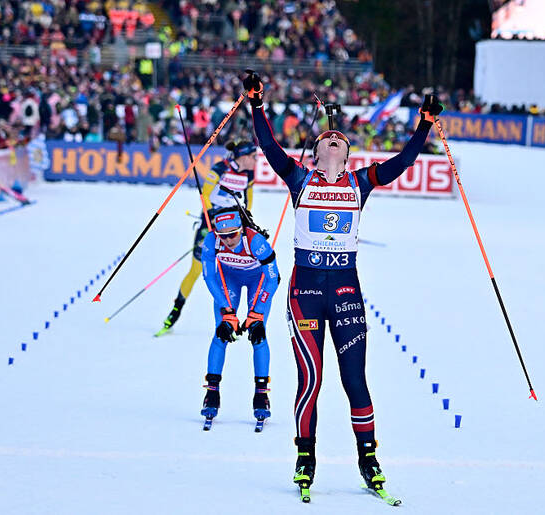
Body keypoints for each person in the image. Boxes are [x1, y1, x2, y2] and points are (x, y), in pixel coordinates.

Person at [243, 70, 443, 498]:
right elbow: (268, 145)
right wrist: (257, 104)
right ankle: (305, 458)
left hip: (346, 291)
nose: (334, 140)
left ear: (347, 156)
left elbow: (404, 162)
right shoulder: (299, 178)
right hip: (306, 292)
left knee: (356, 380)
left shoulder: (359, 182)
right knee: (310, 380)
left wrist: (424, 123)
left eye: (341, 141)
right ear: (315, 154)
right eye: (326, 140)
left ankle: (368, 459)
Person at [156, 141, 258, 336]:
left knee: (230, 270)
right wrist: (212, 217)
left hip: (233, 227)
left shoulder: (249, 174)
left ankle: (230, 318)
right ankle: (175, 311)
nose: (256, 161)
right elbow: (205, 195)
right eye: (253, 157)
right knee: (196, 270)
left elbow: (249, 200)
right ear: (243, 156)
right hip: (211, 222)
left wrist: (246, 217)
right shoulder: (221, 168)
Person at [199, 206, 279, 424]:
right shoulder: (211, 240)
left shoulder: (256, 241)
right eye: (222, 235)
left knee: (258, 335)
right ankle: (211, 393)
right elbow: (209, 277)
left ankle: (261, 395)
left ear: (241, 230)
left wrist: (257, 314)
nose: (228, 240)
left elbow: (273, 279)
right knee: (221, 333)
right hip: (228, 280)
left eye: (233, 234)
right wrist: (227, 311)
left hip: (258, 281)